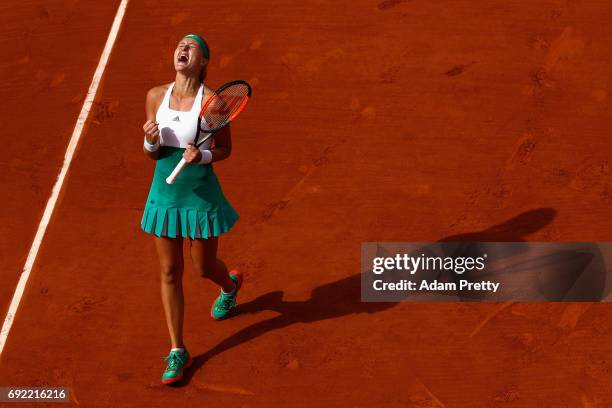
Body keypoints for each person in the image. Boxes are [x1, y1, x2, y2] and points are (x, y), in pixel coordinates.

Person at [140, 34, 242, 385]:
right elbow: (152, 153)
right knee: (170, 271)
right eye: (179, 44)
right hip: (164, 194)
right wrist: (150, 140)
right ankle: (177, 350)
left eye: (191, 46)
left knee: (203, 268)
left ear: (202, 61)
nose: (182, 49)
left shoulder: (212, 104)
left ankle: (229, 286)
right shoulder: (155, 96)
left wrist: (204, 154)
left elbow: (225, 149)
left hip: (198, 194)